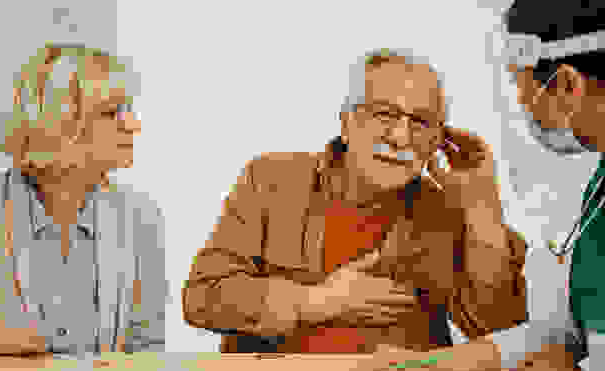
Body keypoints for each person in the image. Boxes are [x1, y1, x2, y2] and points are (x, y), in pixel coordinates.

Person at [330, 2, 605, 371]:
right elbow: (567, 335)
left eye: (521, 86)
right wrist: (432, 365)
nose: (523, 103)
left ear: (567, 86)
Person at [182, 48, 529, 354]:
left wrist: (483, 208)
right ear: (346, 122)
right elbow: (203, 298)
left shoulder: (447, 210)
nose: (400, 137)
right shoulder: (270, 179)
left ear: (439, 139)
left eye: (421, 122)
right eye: (384, 114)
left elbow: (499, 333)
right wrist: (317, 302)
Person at [0, 43, 167, 356]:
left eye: (129, 110)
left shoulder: (141, 218)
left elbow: (146, 357)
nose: (133, 125)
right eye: (110, 112)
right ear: (56, 123)